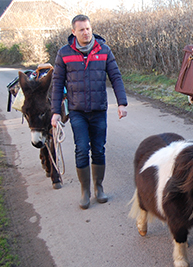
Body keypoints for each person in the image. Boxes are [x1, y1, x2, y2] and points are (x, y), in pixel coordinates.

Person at [51, 14, 128, 210]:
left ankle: (99, 188)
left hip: (99, 110)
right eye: (82, 29)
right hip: (77, 111)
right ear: (73, 32)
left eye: (88, 28)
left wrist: (122, 103)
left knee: (99, 149)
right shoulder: (64, 53)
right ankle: (85, 191)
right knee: (82, 150)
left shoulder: (104, 50)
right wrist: (55, 111)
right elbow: (57, 83)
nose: (86, 32)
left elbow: (116, 77)